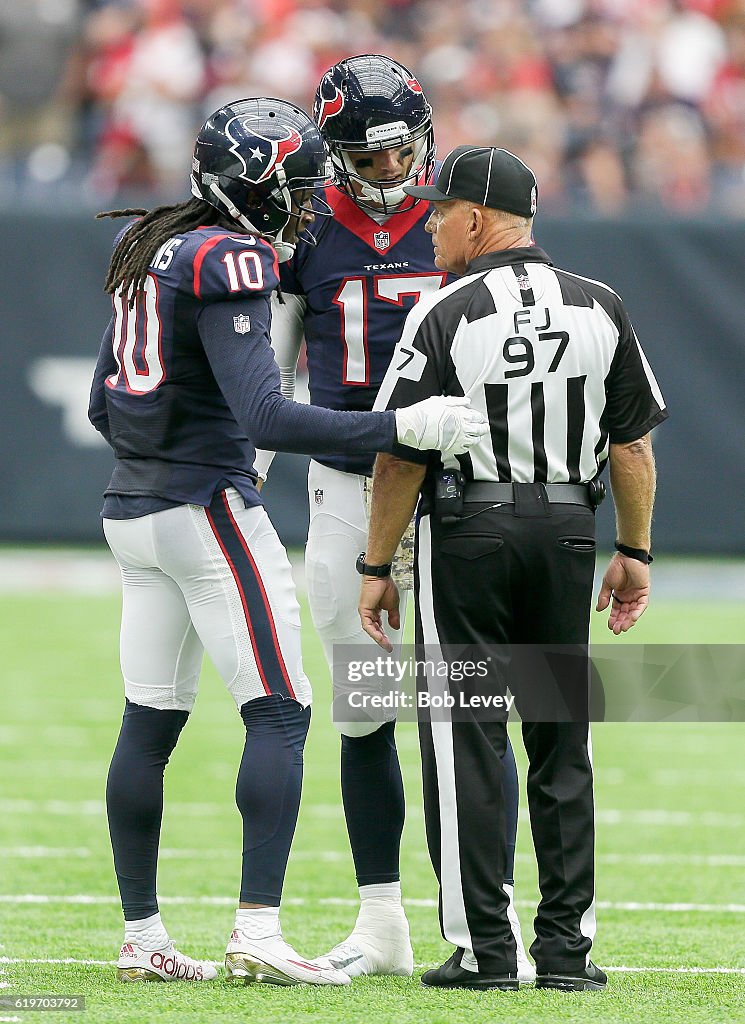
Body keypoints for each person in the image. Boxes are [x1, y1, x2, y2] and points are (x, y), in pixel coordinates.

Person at [87, 97, 488, 988]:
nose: (306, 205)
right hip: (205, 509)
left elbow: (99, 405)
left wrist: (168, 453)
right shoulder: (230, 254)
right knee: (281, 708)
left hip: (130, 509)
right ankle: (258, 931)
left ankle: (142, 935)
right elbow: (266, 412)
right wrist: (401, 426)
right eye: (296, 187)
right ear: (253, 186)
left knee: (149, 717)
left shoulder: (151, 245)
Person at [358, 145, 667, 991]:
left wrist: (374, 561)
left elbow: (399, 458)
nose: (427, 224)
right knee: (561, 742)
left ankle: (484, 951)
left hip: (470, 533)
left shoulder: (446, 311)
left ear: (476, 216)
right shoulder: (600, 304)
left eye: (438, 210)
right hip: (568, 530)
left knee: (466, 737)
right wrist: (632, 553)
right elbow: (632, 446)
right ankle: (567, 952)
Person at [253, 55, 532, 981]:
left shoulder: (459, 221)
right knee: (363, 709)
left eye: (396, 155)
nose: (386, 174)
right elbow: (269, 381)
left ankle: (491, 922)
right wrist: (241, 483)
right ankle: (383, 920)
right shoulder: (307, 235)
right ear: (332, 157)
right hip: (344, 488)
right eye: (364, 161)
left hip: (455, 488)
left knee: (474, 710)